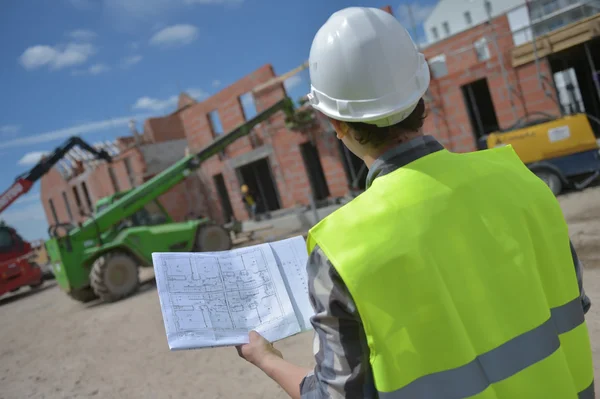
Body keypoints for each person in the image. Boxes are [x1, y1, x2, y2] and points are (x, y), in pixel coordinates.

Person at [236, 7, 594, 398]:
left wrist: (267, 358)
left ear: (336, 124)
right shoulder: (522, 180)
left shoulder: (341, 250)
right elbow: (570, 304)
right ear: (421, 94)